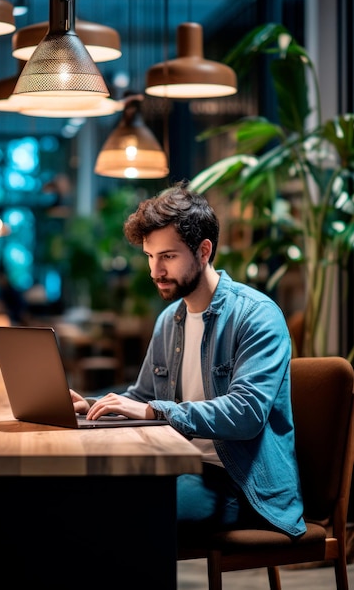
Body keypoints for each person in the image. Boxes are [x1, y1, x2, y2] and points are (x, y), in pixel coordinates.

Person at [70, 183, 306, 539]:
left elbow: (246, 414)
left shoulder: (257, 316)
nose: (155, 271)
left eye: (168, 256)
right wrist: (90, 405)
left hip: (241, 485)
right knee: (90, 497)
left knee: (125, 513)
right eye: (150, 257)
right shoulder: (170, 320)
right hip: (181, 466)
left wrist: (158, 411)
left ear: (204, 251)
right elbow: (143, 397)